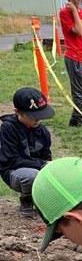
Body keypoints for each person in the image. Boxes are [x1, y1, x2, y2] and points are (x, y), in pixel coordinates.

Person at [0, 87, 54, 217]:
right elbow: (12, 160)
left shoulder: (43, 132)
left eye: (40, 116)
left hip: (37, 168)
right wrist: (42, 164)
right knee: (32, 176)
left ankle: (43, 201)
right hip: (14, 172)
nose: (38, 120)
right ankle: (26, 199)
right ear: (18, 112)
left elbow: (47, 157)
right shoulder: (8, 128)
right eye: (34, 117)